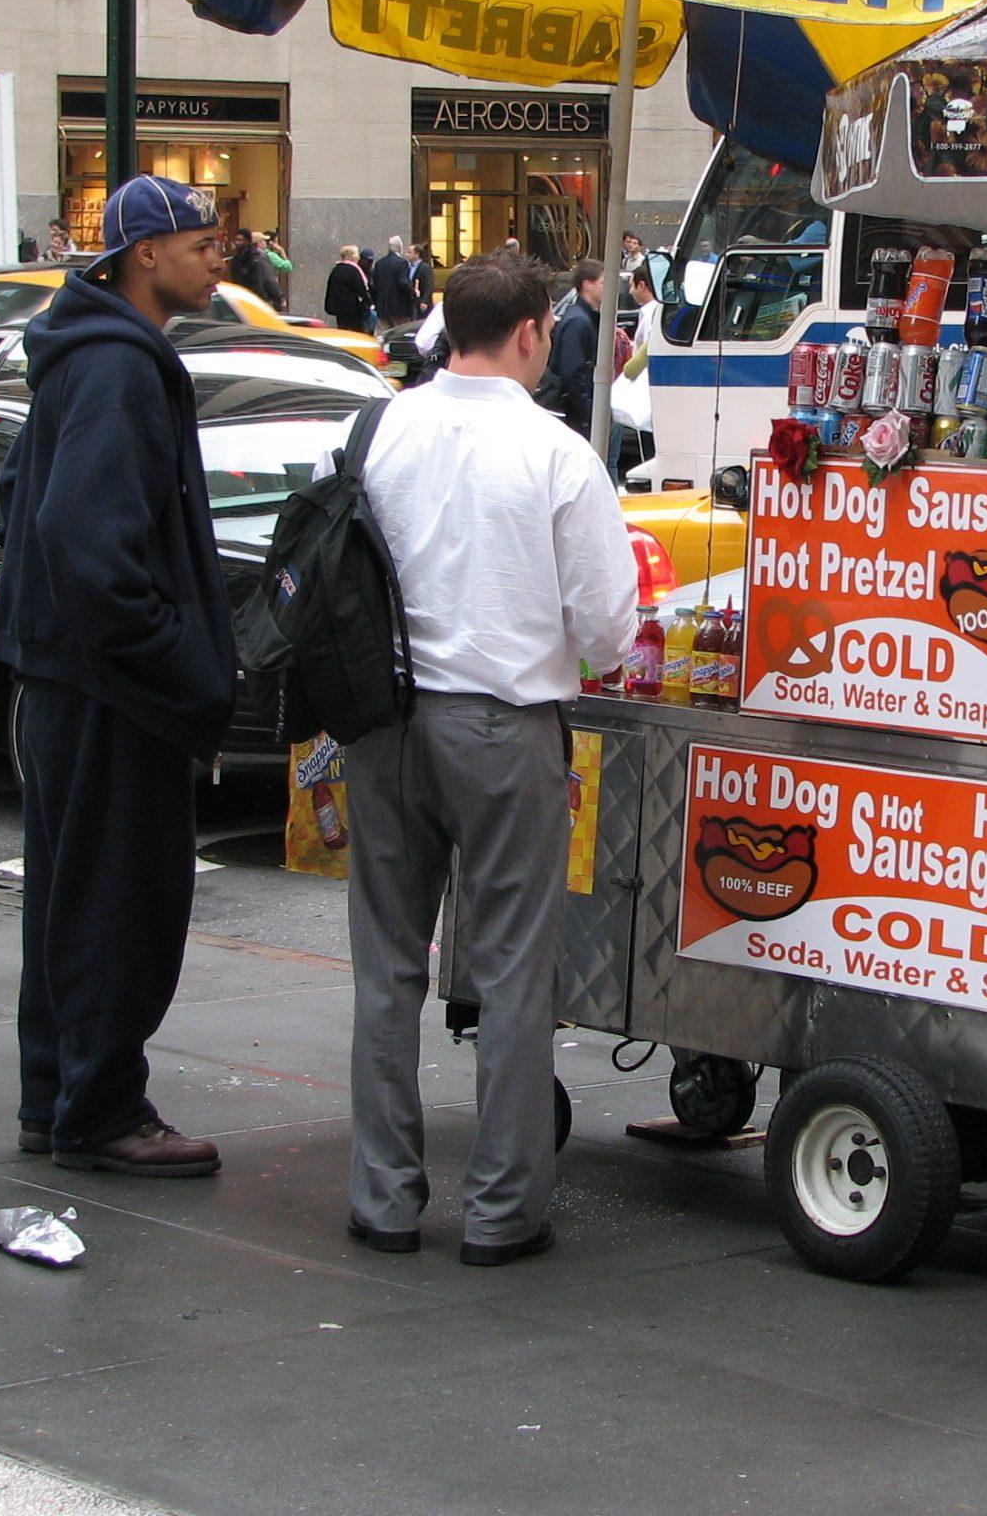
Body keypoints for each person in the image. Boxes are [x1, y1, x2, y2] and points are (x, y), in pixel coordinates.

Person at [343, 252, 637, 1264]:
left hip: (384, 719)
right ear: (529, 332)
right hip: (503, 727)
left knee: (386, 966)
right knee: (515, 971)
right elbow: (606, 629)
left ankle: (382, 1199)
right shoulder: (555, 454)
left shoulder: (382, 426)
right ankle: (501, 1211)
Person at [0, 175, 238, 1178]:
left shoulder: (87, 354)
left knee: (70, 895)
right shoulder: (115, 368)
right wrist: (165, 657)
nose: (222, 254)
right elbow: (80, 535)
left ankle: (56, 1095)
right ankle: (99, 1111)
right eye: (203, 240)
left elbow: (35, 508)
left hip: (70, 678)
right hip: (107, 688)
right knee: (115, 903)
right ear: (145, 254)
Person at [543, 257, 606, 442]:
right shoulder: (578, 321)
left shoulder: (583, 317)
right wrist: (586, 414)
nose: (609, 288)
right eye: (603, 282)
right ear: (587, 285)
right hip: (576, 416)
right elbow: (573, 372)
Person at [371, 236, 419, 327]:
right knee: (399, 335)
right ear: (400, 248)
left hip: (382, 308)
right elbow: (403, 282)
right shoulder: (402, 263)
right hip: (399, 309)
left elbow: (375, 285)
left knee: (383, 336)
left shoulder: (379, 263)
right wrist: (413, 292)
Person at [324, 244, 371, 332]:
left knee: (342, 330)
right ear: (351, 256)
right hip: (353, 309)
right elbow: (361, 290)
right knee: (357, 332)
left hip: (339, 308)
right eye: (356, 255)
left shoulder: (336, 270)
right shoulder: (354, 270)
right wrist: (369, 303)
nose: (358, 258)